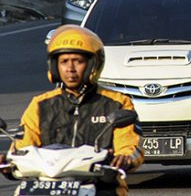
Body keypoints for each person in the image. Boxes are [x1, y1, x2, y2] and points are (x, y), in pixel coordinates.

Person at [1, 26, 144, 196]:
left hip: (101, 187)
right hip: (46, 187)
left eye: (78, 61)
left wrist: (125, 158)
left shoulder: (117, 103)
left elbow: (131, 147)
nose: (70, 68)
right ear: (54, 66)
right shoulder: (40, 105)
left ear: (93, 64)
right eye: (63, 61)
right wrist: (8, 161)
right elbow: (21, 148)